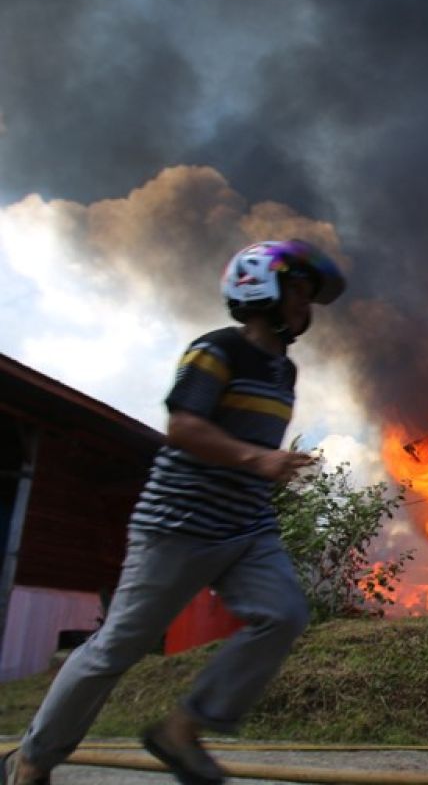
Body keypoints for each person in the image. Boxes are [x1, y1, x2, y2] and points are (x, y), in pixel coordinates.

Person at [5, 240, 346, 785]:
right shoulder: (215, 351)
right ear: (263, 289)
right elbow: (184, 427)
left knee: (284, 614)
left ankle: (183, 729)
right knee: (118, 646)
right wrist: (258, 458)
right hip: (178, 524)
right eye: (301, 293)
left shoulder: (284, 372)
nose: (307, 307)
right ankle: (32, 759)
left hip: (247, 527)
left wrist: (262, 470)